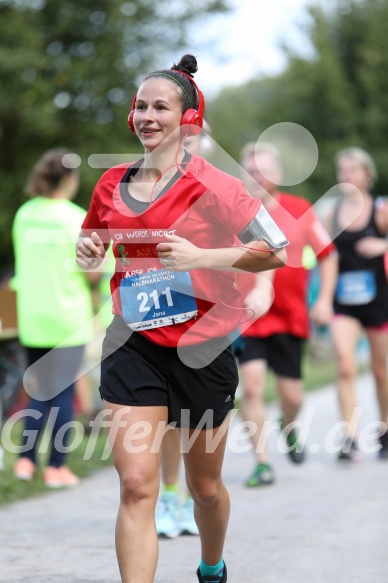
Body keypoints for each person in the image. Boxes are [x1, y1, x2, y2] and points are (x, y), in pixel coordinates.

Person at [75, 54, 288, 583]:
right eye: (140, 106)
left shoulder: (218, 185)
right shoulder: (109, 185)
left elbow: (276, 250)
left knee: (206, 488)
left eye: (160, 107)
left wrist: (201, 258)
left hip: (203, 345)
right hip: (132, 342)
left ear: (187, 118)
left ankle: (211, 566)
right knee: (136, 485)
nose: (148, 116)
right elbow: (94, 243)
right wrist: (88, 256)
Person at [235, 142, 338, 487]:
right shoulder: (232, 212)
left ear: (277, 175)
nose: (256, 177)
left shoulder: (300, 209)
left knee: (292, 396)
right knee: (250, 388)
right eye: (250, 170)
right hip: (248, 315)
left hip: (291, 316)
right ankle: (262, 462)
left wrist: (323, 298)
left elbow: (328, 255)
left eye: (263, 170)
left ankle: (289, 425)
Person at [12, 148, 97, 488]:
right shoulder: (76, 218)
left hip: (32, 315)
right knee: (62, 393)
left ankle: (25, 463)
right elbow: (90, 272)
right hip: (67, 316)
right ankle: (56, 468)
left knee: (38, 391)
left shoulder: (24, 214)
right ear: (69, 178)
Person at [154, 119, 213, 539]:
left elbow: (261, 251)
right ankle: (170, 497)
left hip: (211, 321)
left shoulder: (220, 187)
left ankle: (197, 496)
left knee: (197, 420)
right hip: (158, 314)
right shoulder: (153, 184)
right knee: (169, 422)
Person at [328, 147, 388, 461]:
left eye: (353, 170)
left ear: (367, 174)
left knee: (381, 372)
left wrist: (383, 243)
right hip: (344, 302)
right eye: (343, 171)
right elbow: (323, 257)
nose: (347, 176)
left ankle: (385, 428)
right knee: (346, 365)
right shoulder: (332, 213)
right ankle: (350, 437)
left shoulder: (380, 209)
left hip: (378, 299)